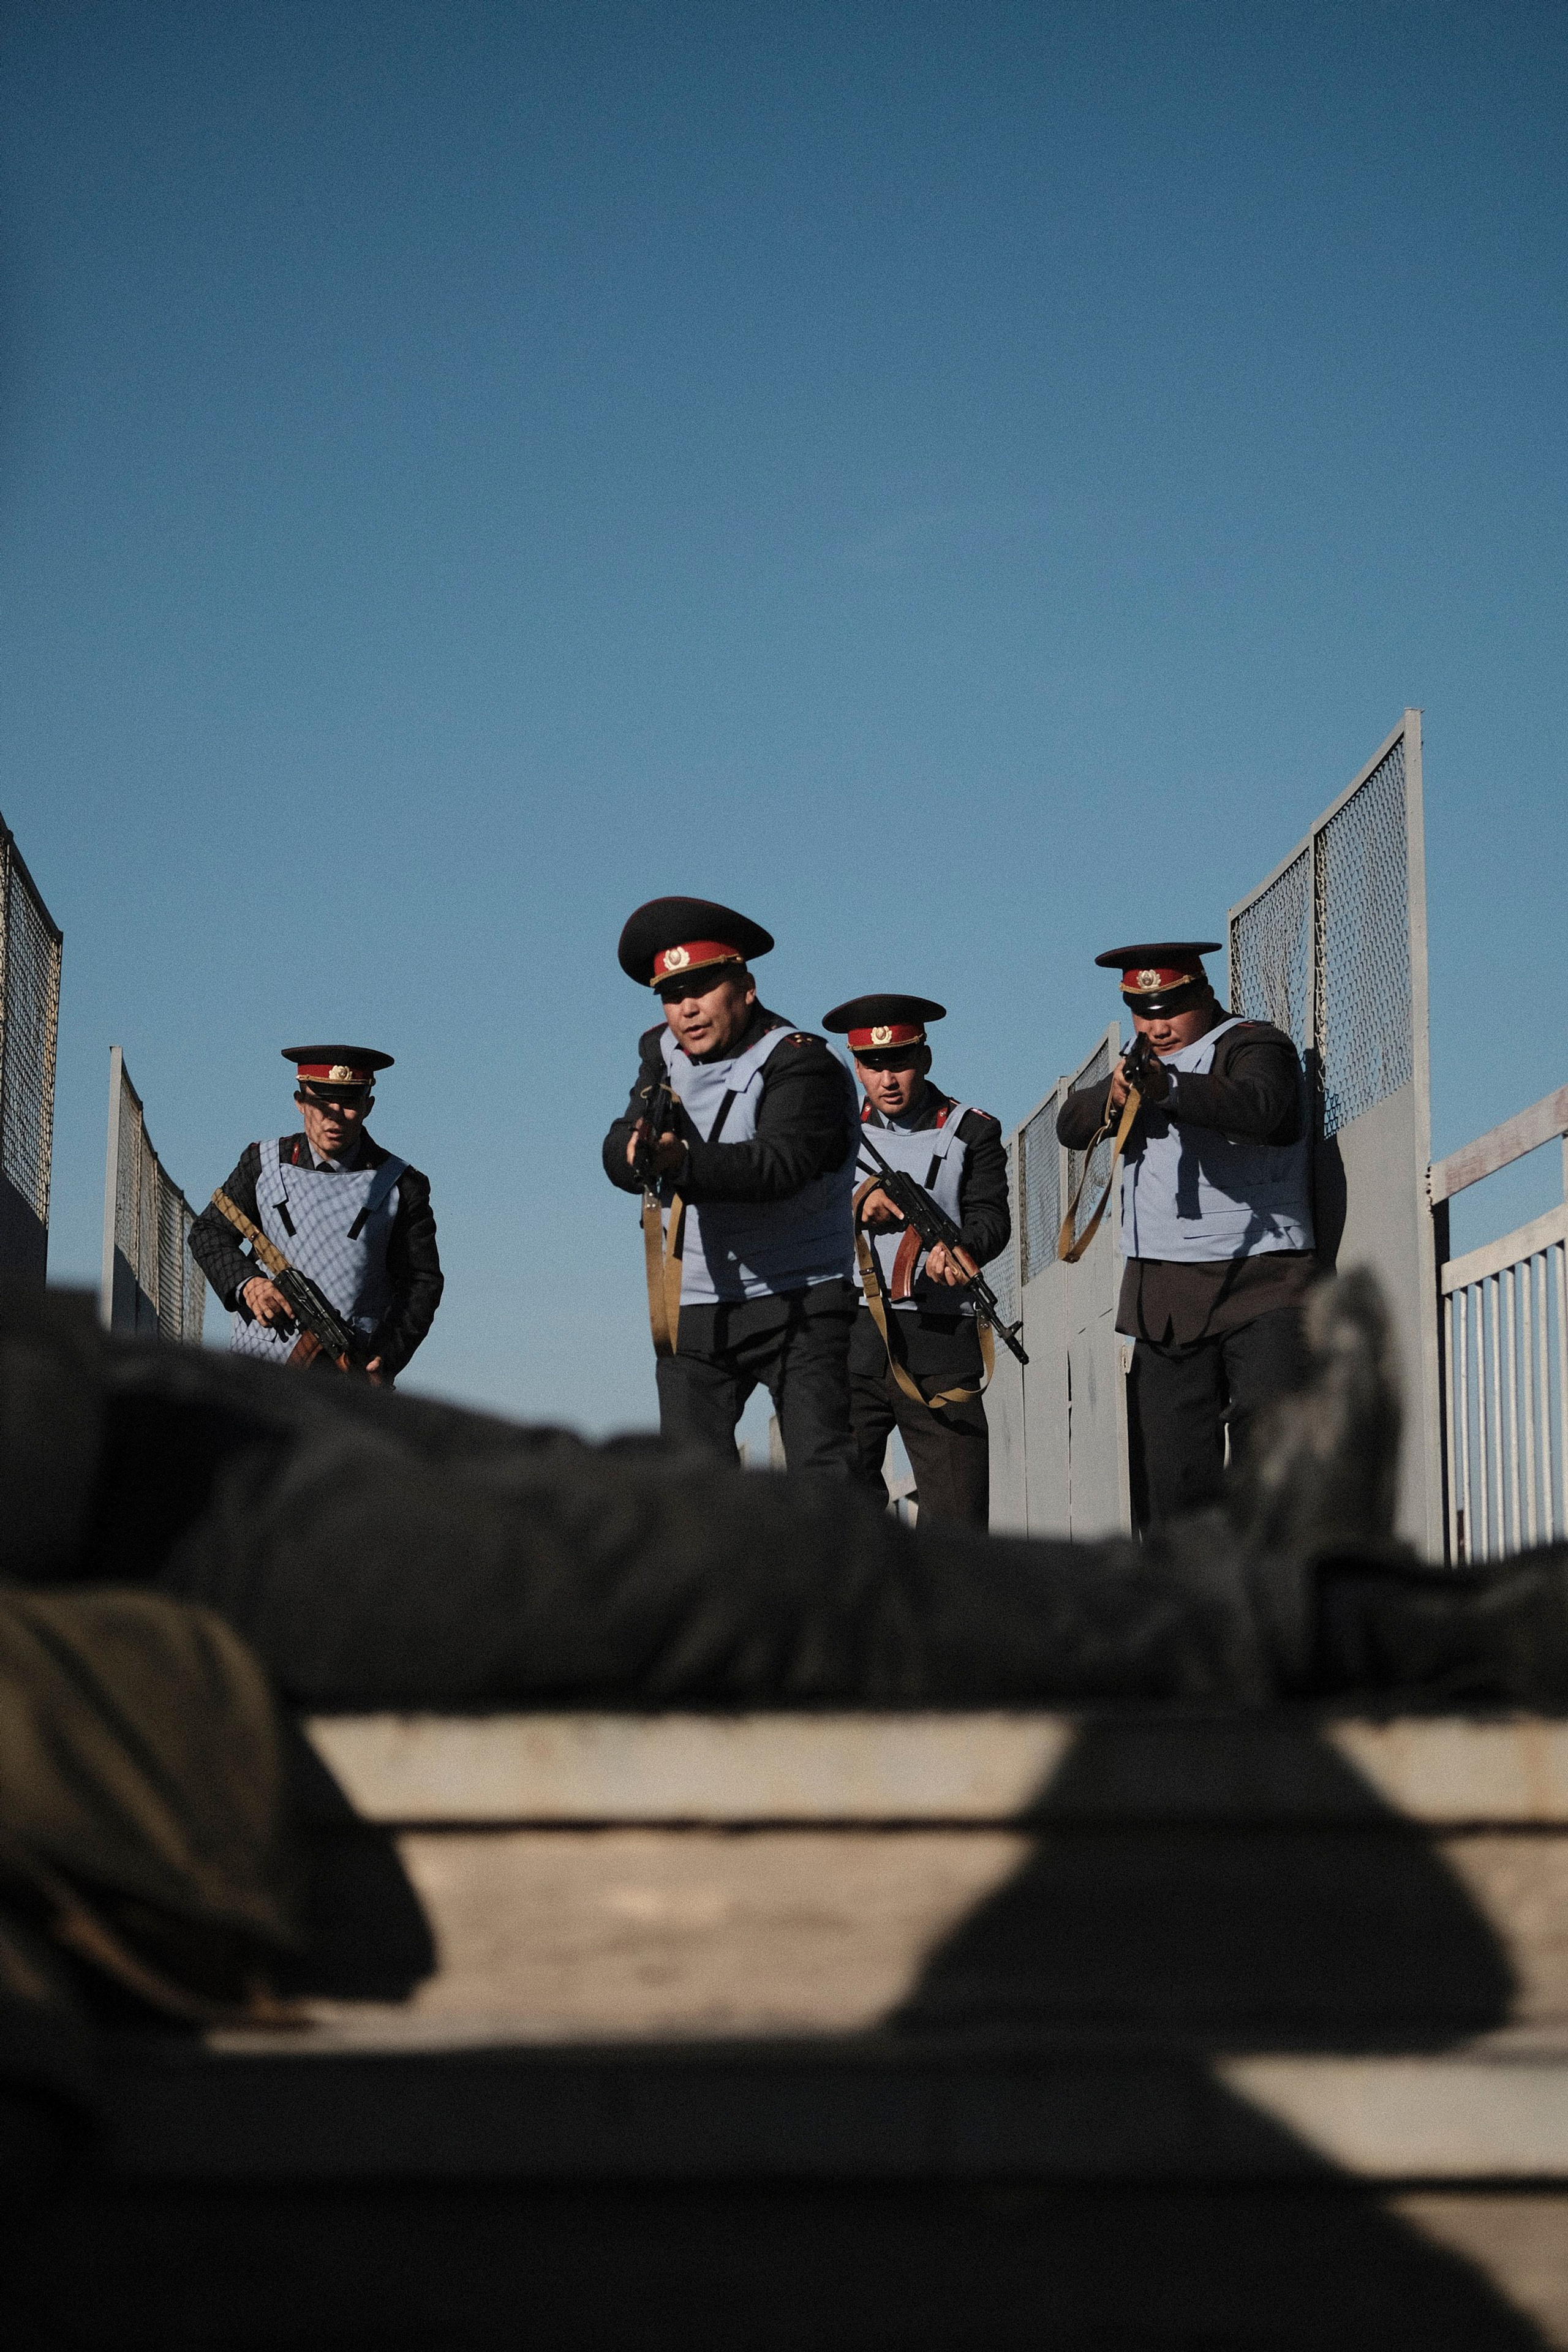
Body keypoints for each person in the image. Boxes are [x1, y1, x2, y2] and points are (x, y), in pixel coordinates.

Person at [1056, 943, 1316, 1527]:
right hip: (1164, 1294)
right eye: (1142, 1012)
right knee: (1173, 1485)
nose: (1156, 1025)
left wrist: (1170, 1091)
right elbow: (1071, 1124)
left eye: (1170, 1008)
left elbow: (1261, 1107)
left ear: (1204, 995)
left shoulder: (1254, 1044)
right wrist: (1115, 1093)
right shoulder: (1135, 1058)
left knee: (1272, 1472)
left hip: (1263, 1280)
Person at [603, 898, 861, 1472]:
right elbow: (621, 1143)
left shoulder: (800, 1063)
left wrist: (681, 1163)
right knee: (691, 1489)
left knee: (826, 1479)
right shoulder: (661, 1056)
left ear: (745, 987)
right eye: (673, 996)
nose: (687, 1010)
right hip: (697, 1303)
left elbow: (779, 1165)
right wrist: (631, 1153)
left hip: (800, 1299)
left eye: (703, 988)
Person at [822, 993, 1010, 1528]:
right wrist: (854, 1205)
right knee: (840, 1521)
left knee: (959, 1522)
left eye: (899, 1062)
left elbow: (991, 1218)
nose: (887, 1079)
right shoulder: (828, 1136)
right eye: (872, 1066)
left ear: (925, 1059)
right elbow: (793, 1210)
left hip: (940, 1339)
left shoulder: (972, 1132)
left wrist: (958, 1250)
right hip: (849, 1337)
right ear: (856, 1067)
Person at [187, 1045, 443, 1387]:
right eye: (322, 1103)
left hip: (350, 1375)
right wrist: (249, 1285)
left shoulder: (403, 1185)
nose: (334, 1115)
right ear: (300, 1102)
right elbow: (207, 1232)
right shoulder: (261, 1163)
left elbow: (421, 1282)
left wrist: (388, 1357)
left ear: (369, 1106)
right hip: (258, 1373)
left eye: (350, 1103)